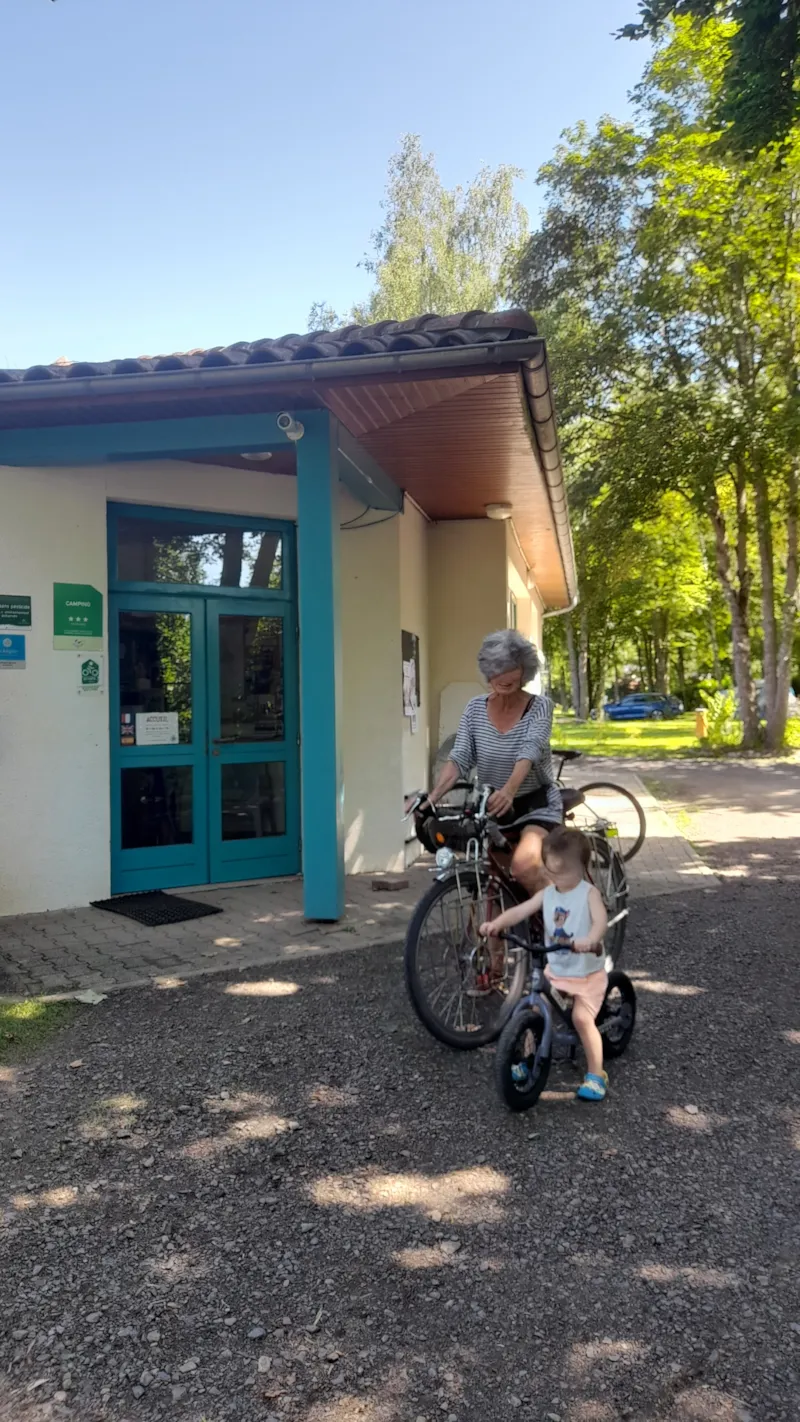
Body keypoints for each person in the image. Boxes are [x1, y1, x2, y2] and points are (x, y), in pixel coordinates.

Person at [422, 629, 561, 893]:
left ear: (524, 670)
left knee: (523, 866)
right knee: (492, 886)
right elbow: (460, 758)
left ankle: (565, 923)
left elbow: (529, 751)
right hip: (495, 810)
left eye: (510, 668)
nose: (502, 676)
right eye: (496, 669)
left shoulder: (540, 707)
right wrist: (432, 797)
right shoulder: (475, 709)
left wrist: (509, 790)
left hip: (535, 806)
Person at [480, 826, 610, 1102]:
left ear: (579, 870)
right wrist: (497, 924)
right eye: (547, 869)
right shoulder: (548, 894)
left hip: (586, 975)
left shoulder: (589, 894)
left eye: (557, 871)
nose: (550, 875)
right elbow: (519, 911)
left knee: (581, 1019)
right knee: (535, 1009)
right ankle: (528, 1057)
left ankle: (596, 1074)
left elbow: (600, 921)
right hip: (559, 970)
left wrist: (590, 938)